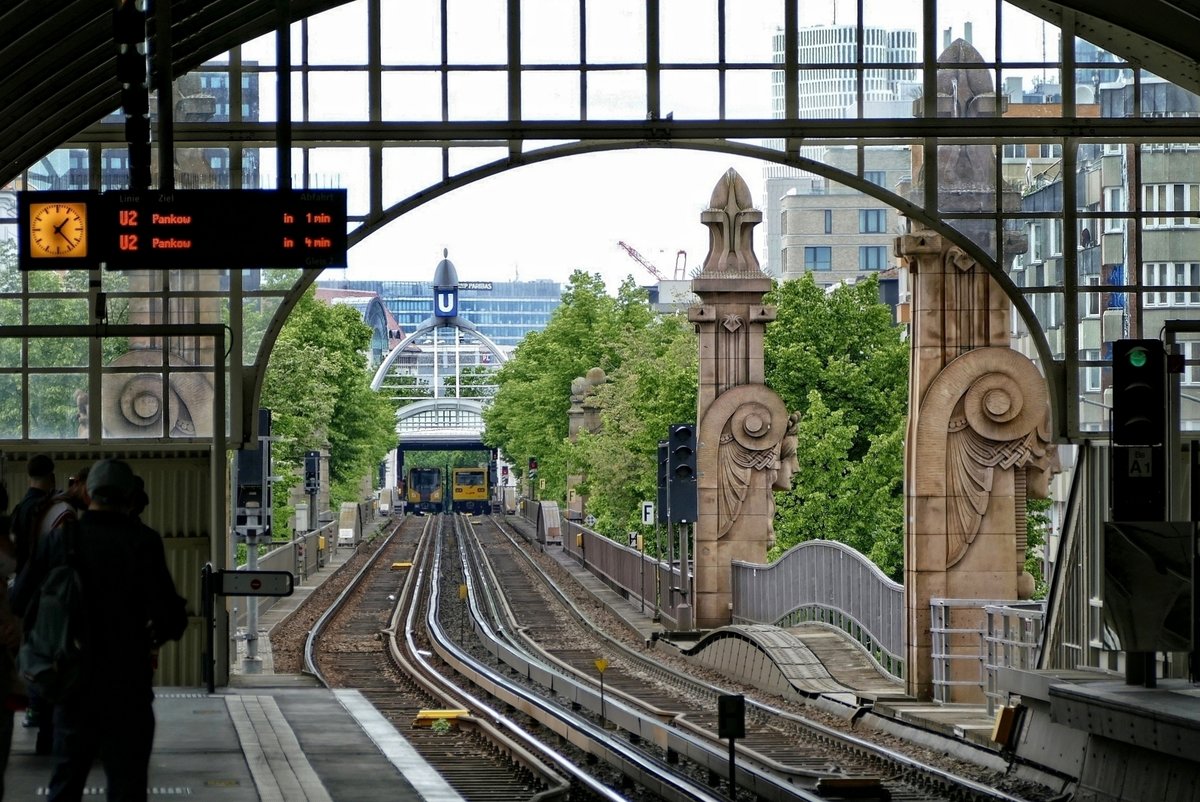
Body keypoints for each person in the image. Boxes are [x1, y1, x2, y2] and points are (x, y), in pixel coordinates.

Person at [12, 459, 188, 802]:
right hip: (128, 686)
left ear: (89, 492)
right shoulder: (143, 542)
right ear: (128, 496)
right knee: (127, 788)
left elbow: (21, 600)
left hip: (71, 683)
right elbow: (171, 618)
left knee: (65, 784)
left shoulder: (64, 540)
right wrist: (151, 635)